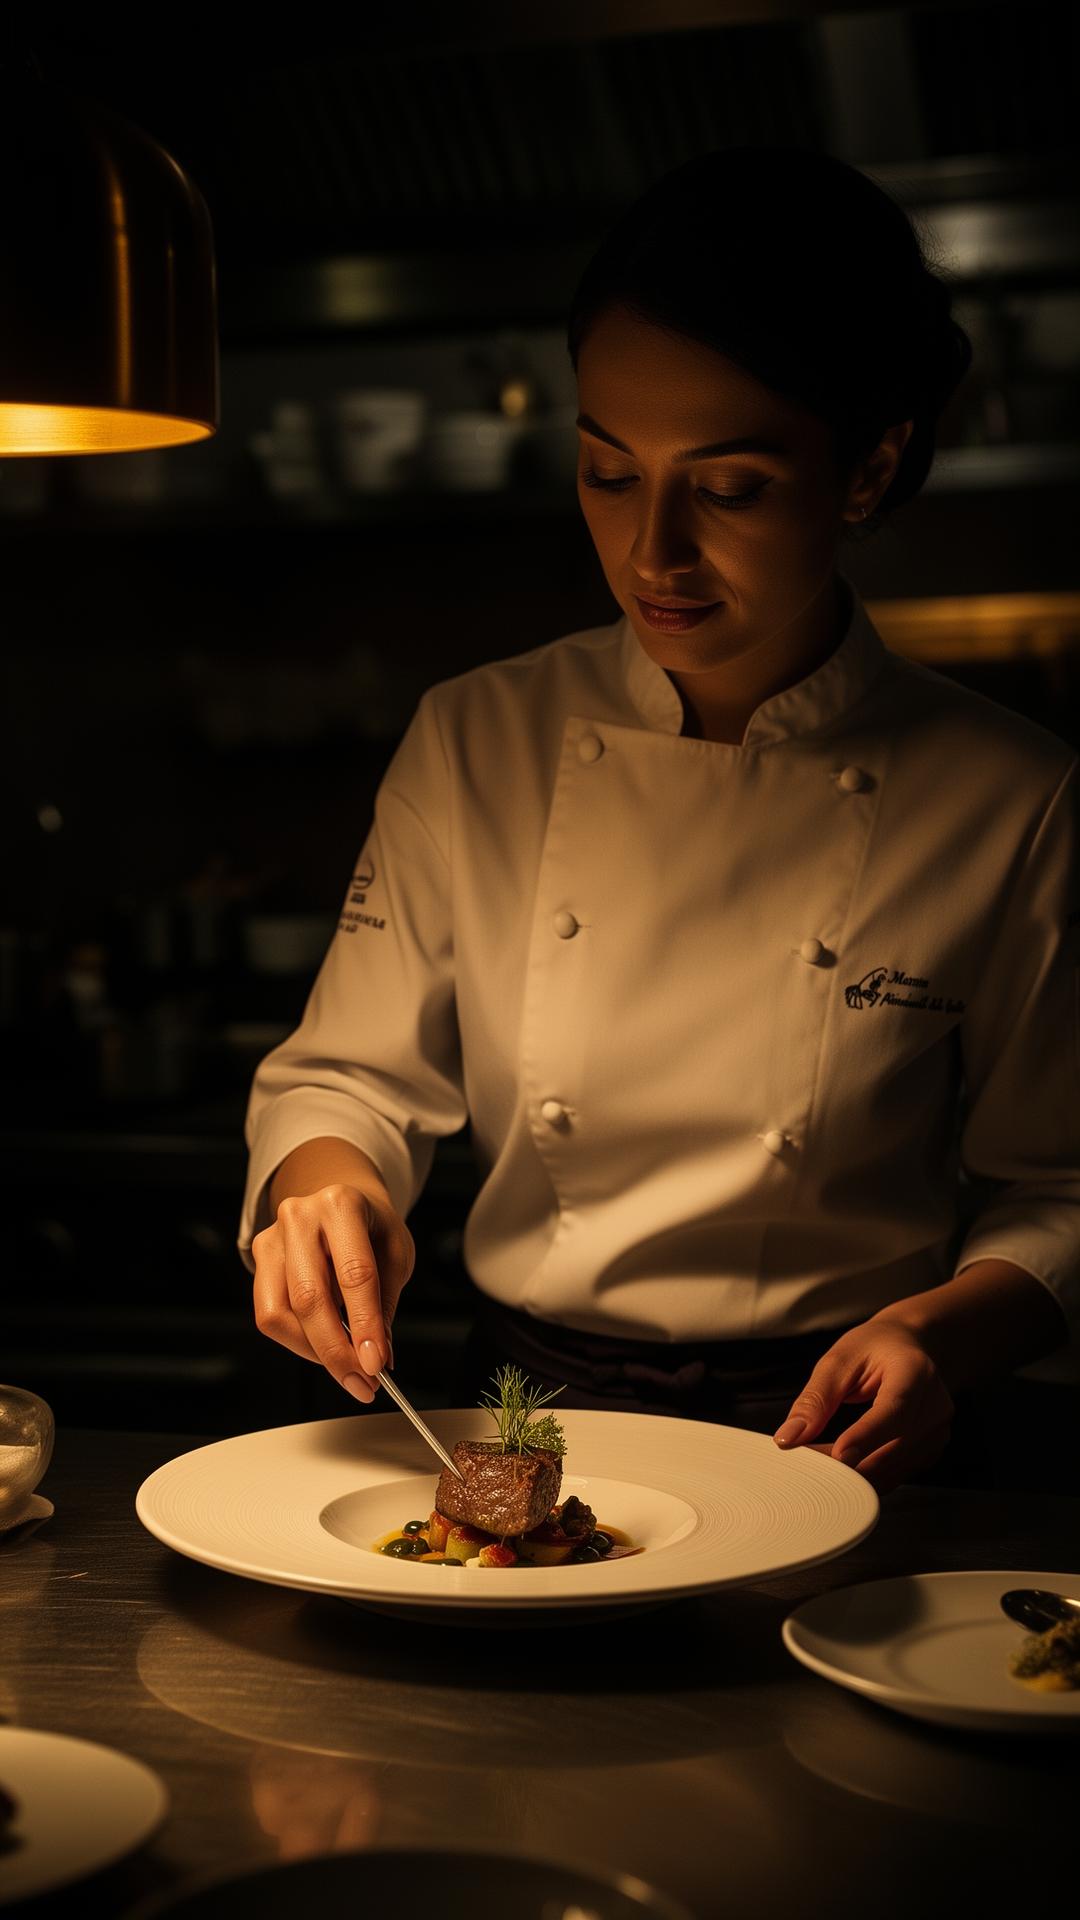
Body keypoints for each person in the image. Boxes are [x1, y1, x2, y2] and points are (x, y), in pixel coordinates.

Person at [239, 146, 1079, 1495]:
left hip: (838, 1430)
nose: (652, 552)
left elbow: (1062, 1187)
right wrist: (320, 1195)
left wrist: (942, 1333)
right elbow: (348, 1080)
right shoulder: (477, 737)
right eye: (607, 471)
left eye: (730, 487)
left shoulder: (1013, 796)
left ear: (869, 468)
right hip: (518, 1415)